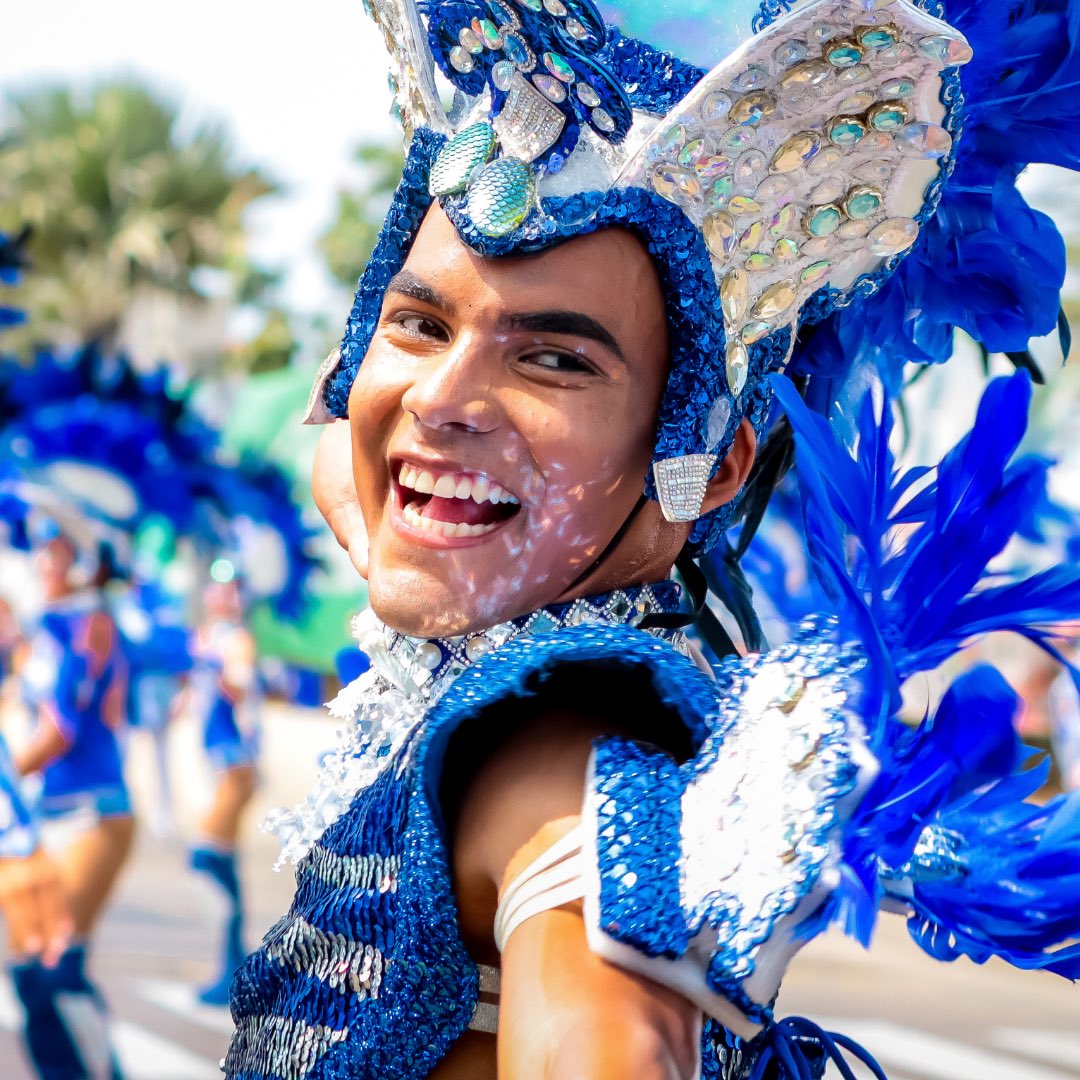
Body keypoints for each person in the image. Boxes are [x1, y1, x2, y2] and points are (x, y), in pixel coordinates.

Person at [226, 0, 1080, 1077]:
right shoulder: (485, 637)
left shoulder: (553, 745)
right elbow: (367, 454)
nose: (442, 399)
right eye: (421, 324)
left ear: (716, 463)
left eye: (555, 361)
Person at [11, 528, 130, 1080]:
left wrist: (9, 775)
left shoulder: (85, 622)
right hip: (51, 814)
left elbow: (60, 728)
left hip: (93, 814)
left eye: (59, 547)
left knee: (55, 971)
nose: (44, 558)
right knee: (34, 974)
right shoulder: (52, 623)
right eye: (41, 546)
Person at [186, 563, 260, 1006]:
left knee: (206, 857)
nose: (223, 596)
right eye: (218, 587)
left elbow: (237, 687)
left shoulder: (236, 640)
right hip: (216, 762)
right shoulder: (209, 635)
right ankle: (233, 967)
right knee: (225, 864)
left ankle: (235, 963)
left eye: (232, 589)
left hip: (236, 763)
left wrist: (213, 664)